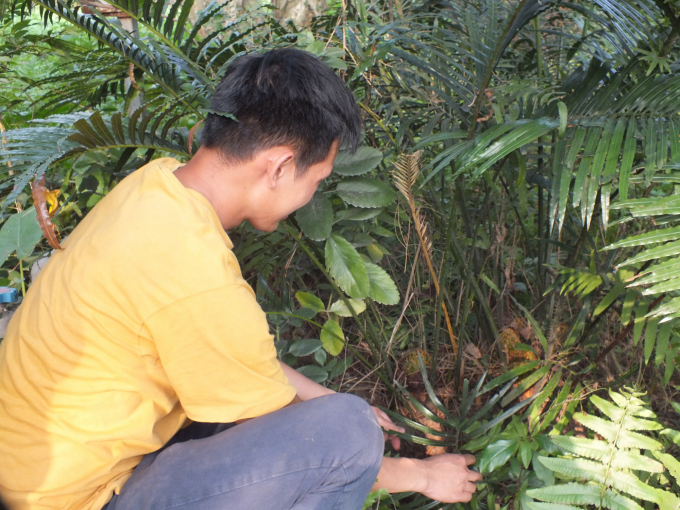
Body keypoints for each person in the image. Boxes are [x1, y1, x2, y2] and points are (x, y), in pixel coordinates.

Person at [0, 48, 482, 510]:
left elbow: (236, 363)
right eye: (316, 180)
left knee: (334, 413)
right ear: (278, 166)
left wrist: (326, 396)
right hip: (74, 499)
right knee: (348, 431)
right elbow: (328, 445)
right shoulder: (194, 268)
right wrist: (420, 476)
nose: (311, 194)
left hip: (40, 467)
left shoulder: (157, 186)